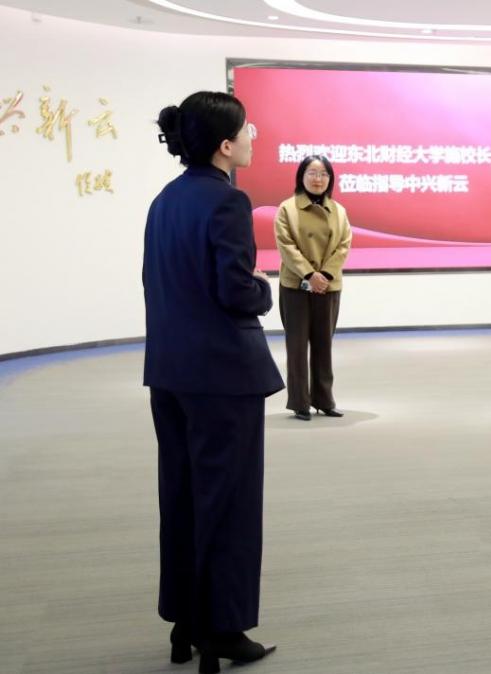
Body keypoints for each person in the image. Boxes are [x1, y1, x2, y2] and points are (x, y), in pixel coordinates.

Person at [144, 91, 281, 672]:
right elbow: (235, 290)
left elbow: (158, 283)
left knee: (181, 498)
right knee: (227, 503)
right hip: (222, 377)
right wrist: (263, 289)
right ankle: (222, 628)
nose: (253, 137)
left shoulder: (164, 200)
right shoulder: (228, 201)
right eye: (248, 130)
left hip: (170, 372)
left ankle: (185, 621)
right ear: (226, 145)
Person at [273, 155, 352, 421]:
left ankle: (324, 399)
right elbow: (286, 246)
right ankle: (300, 402)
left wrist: (325, 274)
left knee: (323, 344)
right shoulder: (287, 209)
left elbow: (344, 245)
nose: (318, 179)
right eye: (312, 173)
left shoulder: (339, 211)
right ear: (301, 176)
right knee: (296, 346)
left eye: (323, 174)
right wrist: (309, 274)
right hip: (296, 285)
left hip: (328, 285)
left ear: (330, 179)